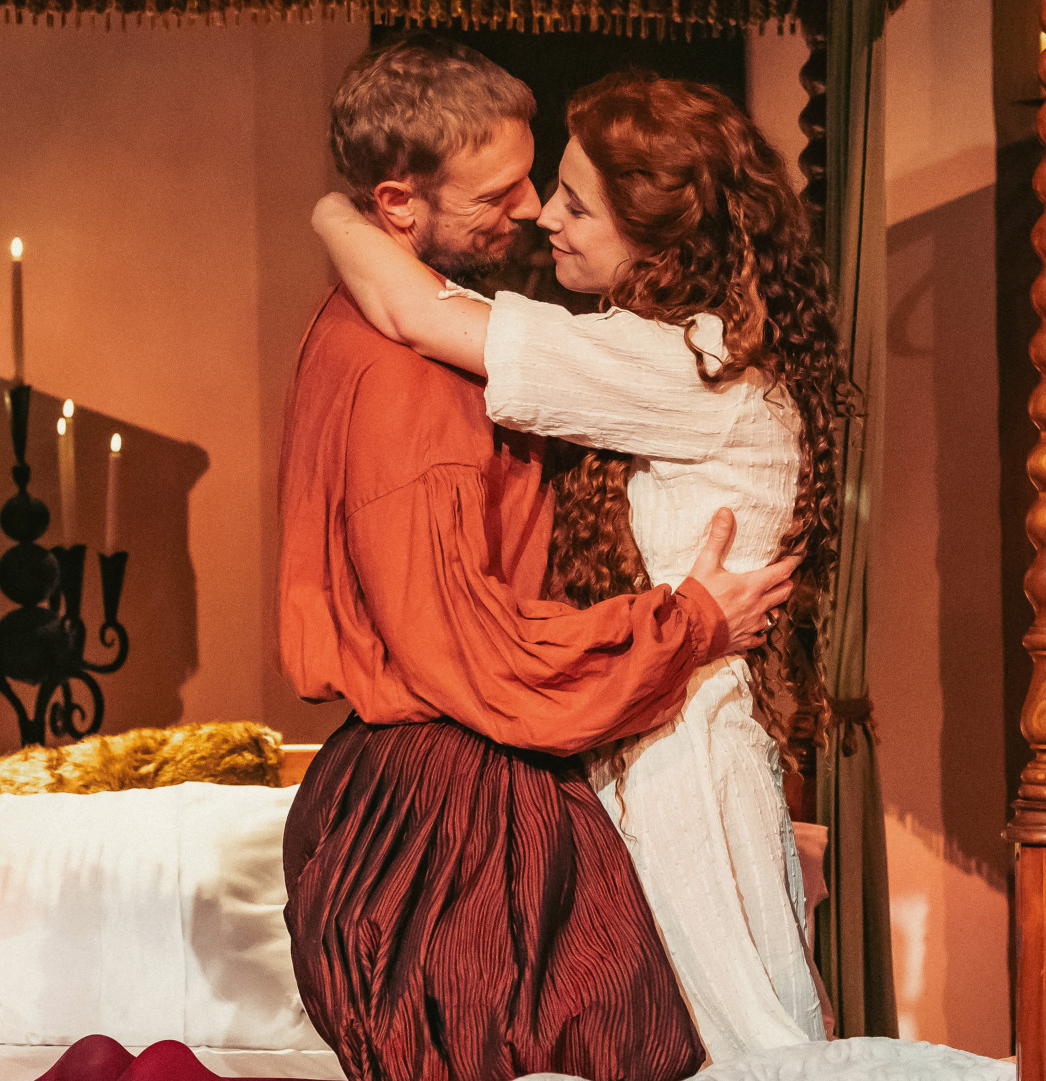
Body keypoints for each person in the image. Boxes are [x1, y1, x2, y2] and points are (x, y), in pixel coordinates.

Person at [275, 37, 804, 1081]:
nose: (531, 213)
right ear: (399, 203)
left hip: (630, 739)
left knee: (736, 1046)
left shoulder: (677, 363)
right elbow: (470, 646)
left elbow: (417, 305)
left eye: (558, 194)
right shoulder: (414, 377)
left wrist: (335, 216)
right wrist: (689, 622)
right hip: (479, 763)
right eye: (505, 192)